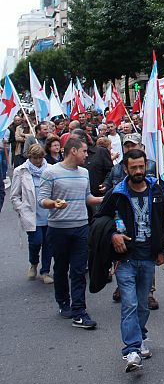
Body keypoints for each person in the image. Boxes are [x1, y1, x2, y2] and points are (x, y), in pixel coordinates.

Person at [96, 149, 164, 372]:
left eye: (141, 166)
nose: (138, 171)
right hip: (125, 259)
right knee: (130, 303)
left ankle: (140, 336)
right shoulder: (117, 193)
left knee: (143, 303)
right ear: (125, 169)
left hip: (148, 257)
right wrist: (113, 235)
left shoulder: (156, 190)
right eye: (133, 167)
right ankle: (132, 351)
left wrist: (160, 249)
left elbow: (161, 220)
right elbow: (100, 219)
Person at [39, 136, 103, 329]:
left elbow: (87, 198)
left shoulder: (84, 173)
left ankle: (79, 310)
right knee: (60, 267)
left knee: (78, 270)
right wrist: (54, 203)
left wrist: (105, 199)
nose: (86, 154)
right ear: (73, 151)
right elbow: (42, 199)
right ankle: (63, 301)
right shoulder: (51, 172)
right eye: (84, 151)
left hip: (81, 227)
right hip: (58, 228)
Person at [10, 144, 53, 283]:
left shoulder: (51, 170)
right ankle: (33, 263)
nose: (38, 161)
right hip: (31, 214)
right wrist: (21, 209)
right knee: (36, 242)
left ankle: (45, 271)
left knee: (48, 244)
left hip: (49, 213)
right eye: (35, 158)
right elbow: (15, 195)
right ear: (30, 157)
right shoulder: (20, 171)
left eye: (41, 157)